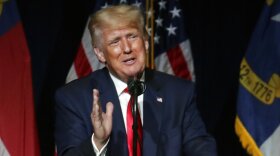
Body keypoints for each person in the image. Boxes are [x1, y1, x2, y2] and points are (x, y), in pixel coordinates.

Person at [54, 4, 217, 156]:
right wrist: (98, 141)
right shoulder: (73, 98)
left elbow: (201, 147)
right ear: (100, 54)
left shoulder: (179, 93)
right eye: (115, 41)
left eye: (132, 36)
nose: (127, 48)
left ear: (145, 43)